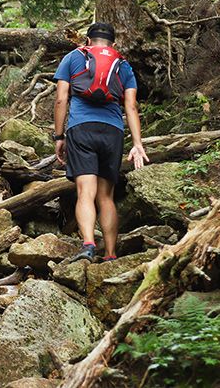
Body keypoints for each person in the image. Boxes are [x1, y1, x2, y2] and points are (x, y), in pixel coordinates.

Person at [53, 22, 149, 263]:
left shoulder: (73, 58)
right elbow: (131, 106)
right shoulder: (123, 65)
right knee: (106, 196)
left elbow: (61, 99)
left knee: (86, 191)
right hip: (112, 131)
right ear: (113, 45)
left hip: (81, 128)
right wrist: (137, 143)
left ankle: (87, 244)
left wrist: (58, 136)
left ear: (87, 41)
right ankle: (110, 253)